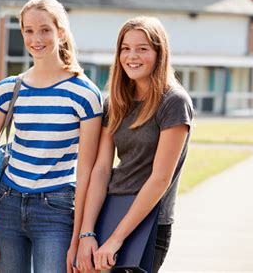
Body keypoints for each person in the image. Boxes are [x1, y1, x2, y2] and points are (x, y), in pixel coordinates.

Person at [0, 0, 103, 273]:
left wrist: (79, 237)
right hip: (7, 205)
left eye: (45, 29)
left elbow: (87, 173)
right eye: (28, 30)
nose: (36, 38)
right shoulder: (10, 89)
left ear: (61, 32)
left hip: (57, 210)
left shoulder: (85, 93)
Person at [76, 16, 193, 272]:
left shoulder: (173, 102)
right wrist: (87, 233)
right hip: (109, 210)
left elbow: (160, 179)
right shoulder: (115, 102)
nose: (132, 56)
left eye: (142, 48)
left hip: (148, 220)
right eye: (125, 48)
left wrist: (116, 239)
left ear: (159, 53)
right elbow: (101, 170)